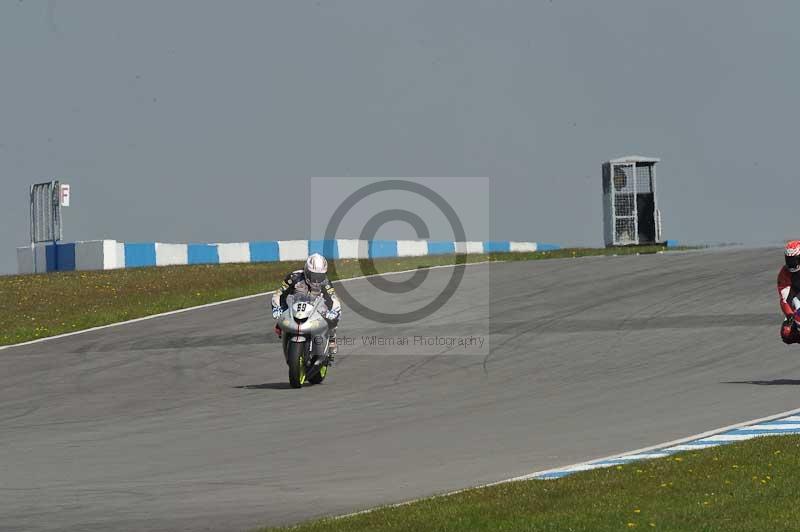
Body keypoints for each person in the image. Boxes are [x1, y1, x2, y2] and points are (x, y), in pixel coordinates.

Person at [271, 253, 342, 360]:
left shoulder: (326, 282)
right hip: (294, 307)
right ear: (306, 271)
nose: (316, 280)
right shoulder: (293, 277)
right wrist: (277, 308)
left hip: (315, 307)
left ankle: (332, 338)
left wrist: (333, 312)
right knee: (279, 324)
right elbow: (279, 294)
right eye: (313, 275)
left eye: (320, 276)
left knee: (332, 319)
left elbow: (333, 299)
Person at [778, 241, 800, 344]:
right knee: (786, 333)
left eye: (794, 260)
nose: (792, 264)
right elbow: (785, 299)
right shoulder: (784, 273)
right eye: (789, 260)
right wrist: (790, 316)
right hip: (797, 302)